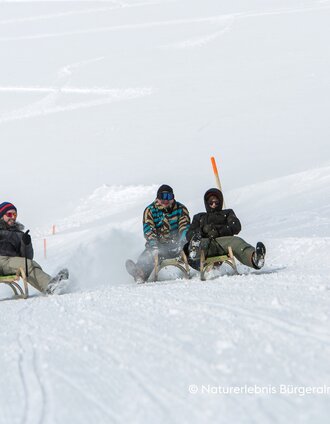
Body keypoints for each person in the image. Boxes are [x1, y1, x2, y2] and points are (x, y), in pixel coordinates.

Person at [185, 188, 266, 270]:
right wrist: (203, 230)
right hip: (206, 244)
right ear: (206, 203)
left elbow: (236, 227)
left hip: (223, 243)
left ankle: (254, 258)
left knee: (236, 241)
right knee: (198, 242)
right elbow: (188, 235)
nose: (214, 204)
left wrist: (219, 230)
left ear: (220, 202)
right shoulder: (199, 217)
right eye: (211, 202)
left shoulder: (227, 213)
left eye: (216, 202)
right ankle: (195, 254)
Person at [0, 202, 69, 295]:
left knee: (28, 264)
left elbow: (27, 258)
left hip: (10, 262)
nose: (12, 217)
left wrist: (26, 243)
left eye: (14, 214)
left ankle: (49, 285)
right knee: (27, 264)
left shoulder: (19, 234)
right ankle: (50, 286)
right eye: (9, 214)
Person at [126, 185, 191, 282]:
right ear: (157, 197)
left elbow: (184, 226)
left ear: (173, 198)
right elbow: (149, 230)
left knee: (193, 246)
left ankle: (207, 267)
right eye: (162, 197)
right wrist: (154, 245)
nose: (166, 200)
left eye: (169, 197)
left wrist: (182, 241)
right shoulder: (150, 210)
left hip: (177, 244)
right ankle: (140, 273)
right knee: (150, 255)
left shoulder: (180, 209)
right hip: (158, 245)